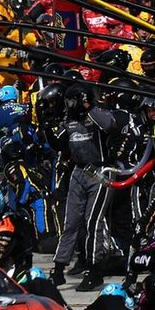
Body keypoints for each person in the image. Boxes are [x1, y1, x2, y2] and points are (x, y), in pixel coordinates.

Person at [52, 85, 117, 286]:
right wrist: (46, 126)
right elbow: (58, 144)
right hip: (78, 172)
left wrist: (88, 107)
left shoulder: (98, 114)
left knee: (92, 222)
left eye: (73, 102)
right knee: (70, 222)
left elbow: (109, 126)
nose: (69, 106)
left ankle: (94, 269)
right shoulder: (69, 120)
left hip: (100, 171)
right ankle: (59, 267)